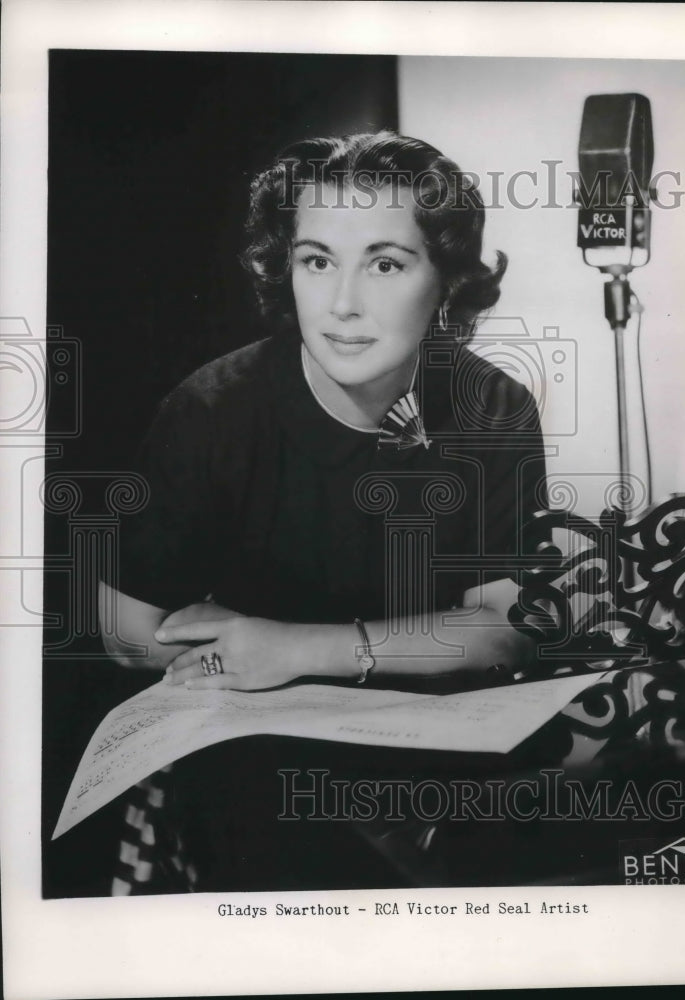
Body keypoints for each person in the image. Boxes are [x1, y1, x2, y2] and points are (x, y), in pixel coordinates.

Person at [98, 131, 548, 890]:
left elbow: (504, 626)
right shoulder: (211, 411)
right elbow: (124, 631)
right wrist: (243, 662)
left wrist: (295, 646)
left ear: (444, 279)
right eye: (316, 261)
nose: (342, 304)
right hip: (257, 756)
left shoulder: (492, 405)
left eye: (384, 263)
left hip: (437, 748)